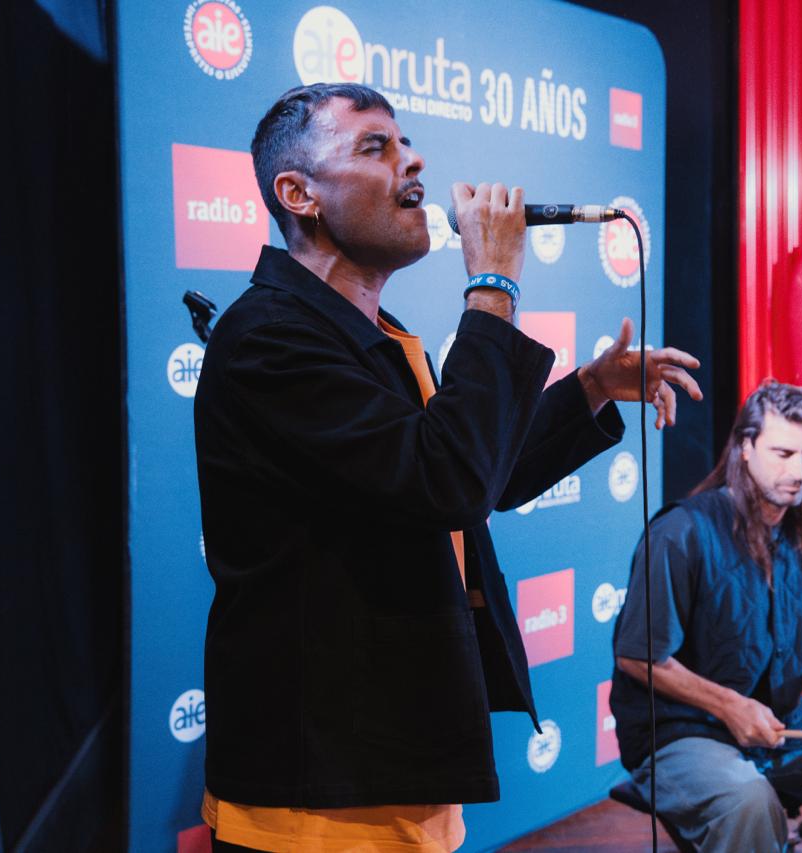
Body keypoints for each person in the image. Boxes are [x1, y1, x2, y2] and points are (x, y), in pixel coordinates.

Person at [193, 82, 702, 853]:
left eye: (405, 141)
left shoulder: (374, 332)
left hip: (391, 767)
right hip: (318, 799)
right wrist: (493, 286)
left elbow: (474, 476)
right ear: (299, 194)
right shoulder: (268, 336)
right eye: (375, 146)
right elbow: (447, 480)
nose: (413, 160)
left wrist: (591, 388)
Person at [610, 381, 802, 852]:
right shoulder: (680, 532)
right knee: (749, 801)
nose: (798, 471)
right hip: (684, 733)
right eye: (782, 454)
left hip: (787, 727)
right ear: (745, 447)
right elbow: (638, 657)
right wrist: (729, 705)